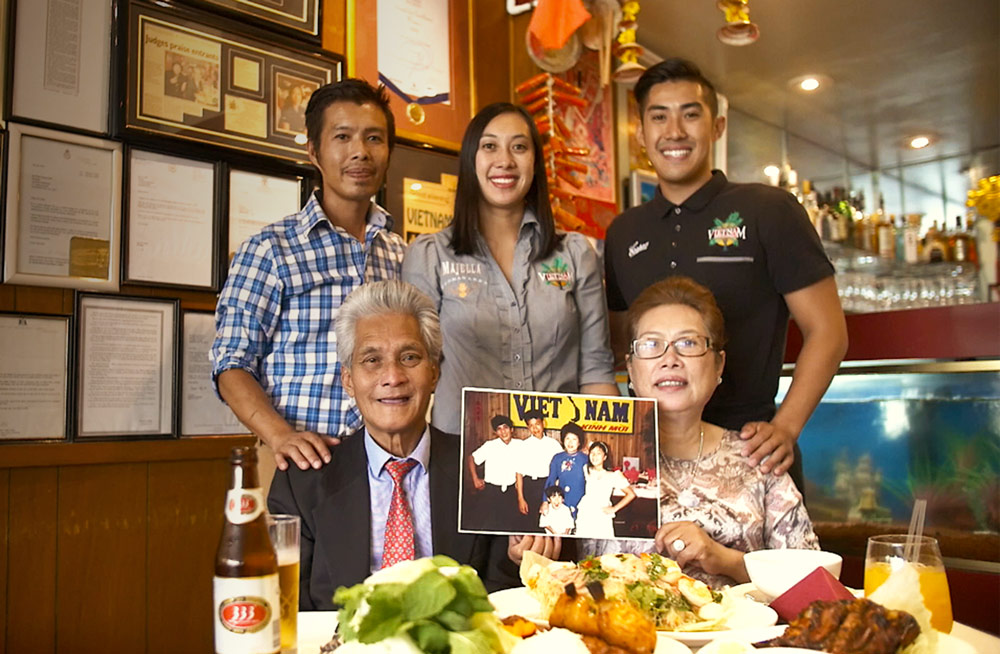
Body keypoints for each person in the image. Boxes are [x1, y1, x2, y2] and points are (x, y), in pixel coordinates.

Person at [604, 58, 848, 492]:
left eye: (690, 114)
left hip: (752, 450)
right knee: (646, 565)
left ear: (715, 127)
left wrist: (787, 426)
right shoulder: (623, 232)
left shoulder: (769, 210)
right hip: (651, 463)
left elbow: (828, 331)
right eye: (659, 117)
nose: (674, 131)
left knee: (763, 564)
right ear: (641, 133)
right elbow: (622, 346)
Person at [267, 280, 559, 608]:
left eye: (409, 357)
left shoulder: (482, 470)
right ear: (348, 379)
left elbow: (498, 598)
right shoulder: (302, 481)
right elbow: (287, 608)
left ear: (434, 372)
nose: (393, 376)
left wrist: (519, 559)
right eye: (372, 360)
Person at [212, 79, 406, 471]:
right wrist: (279, 435)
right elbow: (230, 363)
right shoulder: (271, 249)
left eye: (373, 138)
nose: (360, 152)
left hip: (387, 464)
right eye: (343, 136)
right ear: (314, 151)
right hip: (297, 462)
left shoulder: (402, 255)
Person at [582, 277, 819, 588]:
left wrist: (723, 558)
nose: (670, 360)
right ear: (631, 369)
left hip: (742, 635)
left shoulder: (757, 458)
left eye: (688, 344)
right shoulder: (596, 459)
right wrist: (534, 549)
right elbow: (565, 577)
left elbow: (813, 583)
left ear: (718, 365)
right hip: (624, 633)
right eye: (652, 345)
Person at [401, 101, 618, 438]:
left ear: (535, 162)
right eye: (489, 146)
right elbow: (414, 373)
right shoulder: (429, 256)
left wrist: (602, 454)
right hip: (461, 457)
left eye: (519, 147)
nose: (505, 160)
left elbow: (596, 371)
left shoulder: (575, 254)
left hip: (557, 452)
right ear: (471, 159)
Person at [463, 414, 523, 531]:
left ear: (512, 429)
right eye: (499, 429)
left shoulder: (520, 445)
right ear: (496, 432)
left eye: (505, 427)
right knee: (489, 526)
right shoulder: (490, 446)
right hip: (491, 492)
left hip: (511, 493)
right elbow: (471, 458)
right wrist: (475, 479)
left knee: (510, 526)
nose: (503, 432)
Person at [573, 441, 637, 539]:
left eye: (598, 453)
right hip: (586, 512)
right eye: (592, 453)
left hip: (602, 514)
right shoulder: (586, 469)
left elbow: (631, 494)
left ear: (605, 457)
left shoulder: (613, 475)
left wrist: (614, 508)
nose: (594, 456)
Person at [513, 409, 564, 530]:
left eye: (537, 424)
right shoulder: (523, 446)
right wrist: (520, 498)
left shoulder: (554, 445)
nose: (535, 428)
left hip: (548, 485)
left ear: (543, 424)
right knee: (529, 523)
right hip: (529, 486)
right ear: (527, 427)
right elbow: (519, 473)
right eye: (531, 426)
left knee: (547, 521)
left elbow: (560, 469)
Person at [541, 422, 590, 517]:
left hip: (581, 501)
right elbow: (551, 480)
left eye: (574, 439)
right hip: (561, 502)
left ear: (579, 442)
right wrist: (544, 501)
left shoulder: (586, 459)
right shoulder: (557, 458)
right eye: (567, 438)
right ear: (563, 440)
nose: (570, 442)